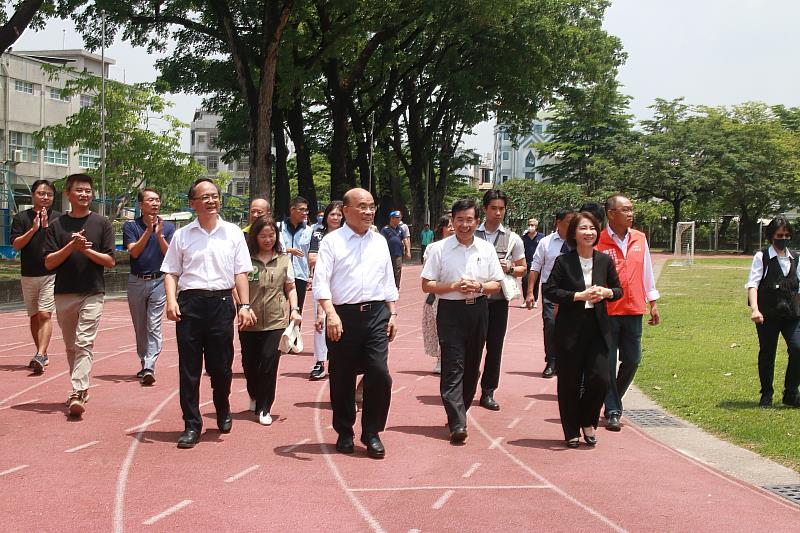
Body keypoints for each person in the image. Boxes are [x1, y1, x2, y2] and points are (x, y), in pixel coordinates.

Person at [161, 178, 255, 449]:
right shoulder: (182, 235)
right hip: (190, 305)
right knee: (189, 369)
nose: (211, 201)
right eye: (205, 197)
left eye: (215, 195)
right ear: (193, 204)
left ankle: (222, 407)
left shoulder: (233, 233)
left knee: (221, 367)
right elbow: (171, 272)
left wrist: (244, 306)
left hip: (221, 304)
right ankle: (192, 424)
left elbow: (240, 273)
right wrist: (171, 301)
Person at [313, 188, 399, 459]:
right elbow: (321, 281)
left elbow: (388, 281)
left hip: (376, 315)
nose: (368, 211)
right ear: (346, 210)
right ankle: (344, 431)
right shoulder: (332, 242)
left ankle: (372, 432)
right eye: (362, 206)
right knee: (342, 376)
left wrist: (393, 313)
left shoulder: (379, 241)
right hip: (343, 316)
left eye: (371, 206)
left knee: (379, 373)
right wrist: (330, 313)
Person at [421, 198, 504, 444]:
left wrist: (478, 286)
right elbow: (426, 284)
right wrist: (453, 286)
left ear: (477, 222)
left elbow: (496, 283)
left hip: (478, 310)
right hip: (450, 311)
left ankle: (460, 412)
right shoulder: (439, 249)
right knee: (453, 365)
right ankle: (458, 422)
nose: (464, 225)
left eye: (469, 220)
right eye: (460, 220)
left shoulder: (486, 249)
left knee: (471, 367)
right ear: (452, 221)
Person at [544, 211, 622, 448]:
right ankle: (571, 430)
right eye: (583, 229)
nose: (588, 233)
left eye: (592, 228)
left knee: (600, 379)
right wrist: (578, 295)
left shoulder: (604, 261)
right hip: (570, 329)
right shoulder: (563, 261)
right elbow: (550, 290)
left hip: (597, 327)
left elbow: (618, 290)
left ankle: (588, 421)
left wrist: (607, 293)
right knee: (569, 381)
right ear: (573, 234)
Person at [42, 174, 115, 417]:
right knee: (71, 346)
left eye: (88, 191)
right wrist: (71, 247)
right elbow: (49, 262)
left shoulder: (102, 223)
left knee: (84, 342)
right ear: (68, 194)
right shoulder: (56, 226)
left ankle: (77, 390)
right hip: (64, 292)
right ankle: (80, 389)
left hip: (93, 291)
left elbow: (110, 261)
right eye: (80, 190)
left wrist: (86, 250)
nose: (85, 194)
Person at [597, 195, 661, 431]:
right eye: (625, 209)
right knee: (607, 361)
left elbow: (647, 272)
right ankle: (613, 409)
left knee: (633, 360)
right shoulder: (600, 240)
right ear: (611, 213)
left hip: (634, 308)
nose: (630, 213)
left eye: (632, 209)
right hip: (608, 310)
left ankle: (613, 399)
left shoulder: (640, 238)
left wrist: (652, 301)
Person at [240, 215, 302, 425]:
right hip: (249, 321)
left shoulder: (284, 259)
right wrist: (243, 307)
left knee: (269, 363)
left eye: (271, 235)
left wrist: (294, 309)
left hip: (277, 320)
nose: (268, 239)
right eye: (263, 235)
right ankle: (254, 393)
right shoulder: (245, 260)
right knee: (249, 365)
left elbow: (290, 287)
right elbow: (235, 286)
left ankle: (265, 407)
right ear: (255, 237)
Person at [475, 189, 526, 411]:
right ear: (485, 209)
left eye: (501, 209)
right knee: (471, 347)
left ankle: (488, 391)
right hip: (473, 300)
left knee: (494, 347)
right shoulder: (472, 233)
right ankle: (465, 387)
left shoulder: (513, 238)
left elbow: (523, 268)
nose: (498, 213)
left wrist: (511, 267)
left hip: (498, 301)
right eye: (493, 208)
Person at [745, 215, 800, 408]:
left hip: (791, 314)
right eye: (779, 235)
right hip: (767, 314)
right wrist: (755, 309)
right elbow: (753, 284)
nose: (783, 238)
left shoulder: (796, 257)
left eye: (786, 235)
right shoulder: (762, 257)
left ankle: (791, 392)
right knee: (768, 353)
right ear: (771, 236)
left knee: (798, 348)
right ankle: (766, 394)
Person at [123, 188, 175, 385]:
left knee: (154, 324)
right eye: (150, 200)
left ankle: (149, 365)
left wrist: (160, 235)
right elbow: (134, 252)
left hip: (159, 281)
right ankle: (144, 360)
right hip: (136, 280)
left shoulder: (168, 227)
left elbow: (170, 255)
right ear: (141, 205)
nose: (155, 203)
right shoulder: (131, 226)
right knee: (140, 325)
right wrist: (148, 231)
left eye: (157, 200)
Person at [11, 179, 60, 374]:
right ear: (33, 195)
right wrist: (33, 229)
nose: (45, 197)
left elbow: (59, 245)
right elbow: (16, 245)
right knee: (33, 316)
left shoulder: (59, 218)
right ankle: (42, 352)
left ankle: (40, 354)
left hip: (50, 274)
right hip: (28, 274)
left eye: (49, 194)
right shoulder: (21, 218)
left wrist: (47, 227)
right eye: (41, 193)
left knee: (44, 314)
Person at [525, 209, 575, 378]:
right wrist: (530, 292)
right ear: (558, 222)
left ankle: (567, 361)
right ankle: (551, 361)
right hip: (551, 291)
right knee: (551, 325)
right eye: (569, 221)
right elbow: (535, 267)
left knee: (571, 327)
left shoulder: (578, 242)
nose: (573, 225)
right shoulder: (546, 242)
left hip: (573, 291)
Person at [307, 201, 344, 380]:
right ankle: (320, 361)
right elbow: (312, 258)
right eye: (332, 214)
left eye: (338, 215)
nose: (335, 218)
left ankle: (340, 360)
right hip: (322, 282)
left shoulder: (348, 234)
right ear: (326, 217)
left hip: (342, 283)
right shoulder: (318, 234)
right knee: (320, 320)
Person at [422, 215, 455, 374]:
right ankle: (440, 360)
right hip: (437, 295)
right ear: (441, 228)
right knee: (438, 329)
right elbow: (428, 276)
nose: (452, 228)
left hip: (457, 294)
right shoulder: (433, 248)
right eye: (449, 225)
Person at [280, 196, 313, 312]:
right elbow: (271, 249)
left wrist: (310, 275)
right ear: (292, 210)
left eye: (306, 210)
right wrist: (288, 250)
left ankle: (296, 330)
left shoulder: (309, 230)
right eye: (302, 209)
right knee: (279, 310)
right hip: (281, 273)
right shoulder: (279, 227)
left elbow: (310, 253)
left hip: (300, 274)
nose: (305, 213)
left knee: (297, 310)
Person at [521, 218, 543, 308]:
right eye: (529, 225)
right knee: (525, 281)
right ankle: (525, 299)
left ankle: (535, 300)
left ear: (536, 226)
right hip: (526, 263)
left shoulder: (541, 237)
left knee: (536, 282)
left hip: (537, 263)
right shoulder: (524, 238)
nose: (530, 227)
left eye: (532, 225)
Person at [381, 211, 406, 288]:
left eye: (400, 218)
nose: (399, 219)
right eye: (397, 218)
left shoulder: (400, 229)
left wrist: (406, 250)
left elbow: (404, 239)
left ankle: (396, 287)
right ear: (392, 218)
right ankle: (387, 287)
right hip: (388, 254)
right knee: (387, 271)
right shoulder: (385, 229)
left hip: (398, 254)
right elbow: (382, 241)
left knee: (397, 271)